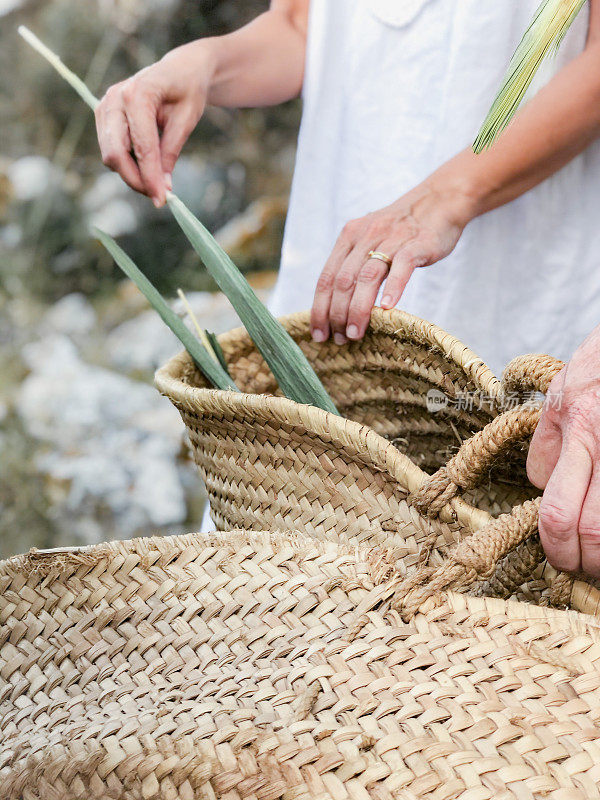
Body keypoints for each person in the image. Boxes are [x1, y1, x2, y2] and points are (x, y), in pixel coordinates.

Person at [95, 0, 600, 576]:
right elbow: (303, 25)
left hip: (511, 300)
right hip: (328, 313)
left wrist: (443, 198)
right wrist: (202, 64)